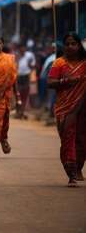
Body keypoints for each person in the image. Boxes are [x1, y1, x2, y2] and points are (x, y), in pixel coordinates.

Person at [47, 31, 86, 187]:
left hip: (83, 108)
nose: (70, 46)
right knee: (68, 139)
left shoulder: (85, 63)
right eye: (67, 44)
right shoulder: (59, 63)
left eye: (73, 43)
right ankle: (71, 173)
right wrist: (66, 80)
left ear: (79, 45)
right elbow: (50, 82)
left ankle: (77, 168)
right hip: (65, 108)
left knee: (82, 139)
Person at [15, 43, 36, 119]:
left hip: (26, 76)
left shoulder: (29, 55)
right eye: (20, 50)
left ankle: (22, 111)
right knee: (18, 95)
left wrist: (30, 65)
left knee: (24, 95)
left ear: (25, 49)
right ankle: (18, 111)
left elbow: (33, 66)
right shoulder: (17, 56)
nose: (21, 51)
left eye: (22, 49)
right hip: (19, 77)